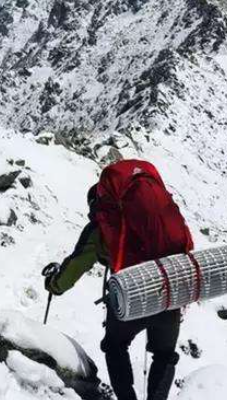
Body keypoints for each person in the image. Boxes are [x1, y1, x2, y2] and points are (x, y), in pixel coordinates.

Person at [45, 160, 193, 400]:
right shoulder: (153, 215)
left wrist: (54, 285)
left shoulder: (104, 224)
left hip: (131, 293)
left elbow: (78, 263)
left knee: (115, 347)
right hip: (170, 290)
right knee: (164, 355)